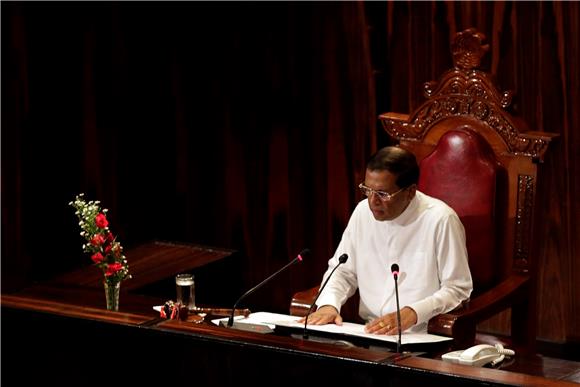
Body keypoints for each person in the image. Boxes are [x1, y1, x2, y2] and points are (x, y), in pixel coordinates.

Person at [299, 146, 473, 335]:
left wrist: (414, 312)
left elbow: (458, 289)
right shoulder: (362, 212)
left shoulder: (441, 220)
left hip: (421, 335)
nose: (372, 201)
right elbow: (342, 271)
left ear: (410, 192)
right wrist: (329, 304)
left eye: (383, 194)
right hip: (368, 333)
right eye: (367, 190)